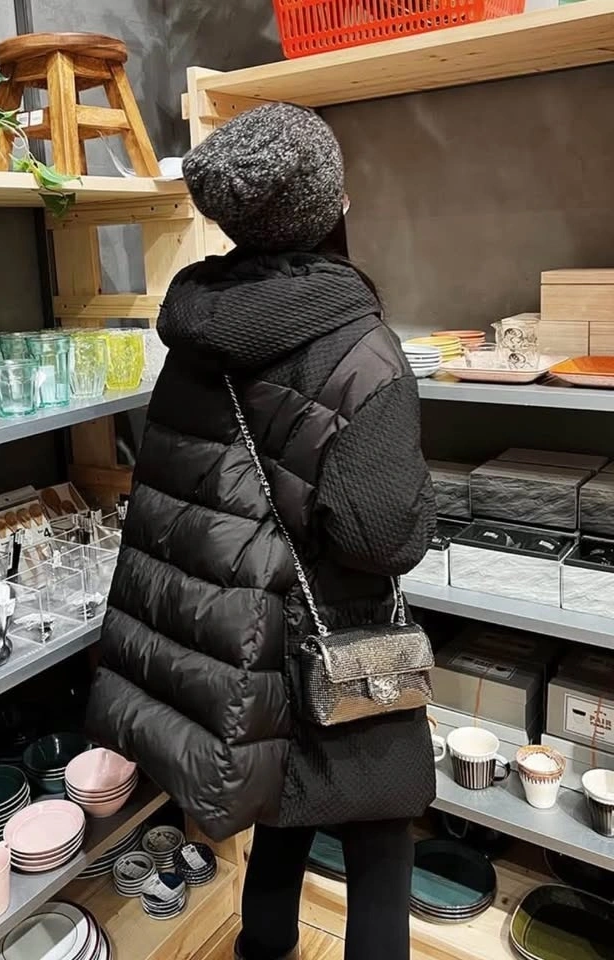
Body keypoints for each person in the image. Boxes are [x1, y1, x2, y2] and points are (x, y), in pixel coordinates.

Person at [87, 102, 437, 960]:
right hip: (332, 639)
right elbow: (382, 538)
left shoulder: (195, 331)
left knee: (281, 802)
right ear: (332, 204)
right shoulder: (362, 349)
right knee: (380, 831)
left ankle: (262, 947)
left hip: (236, 650)